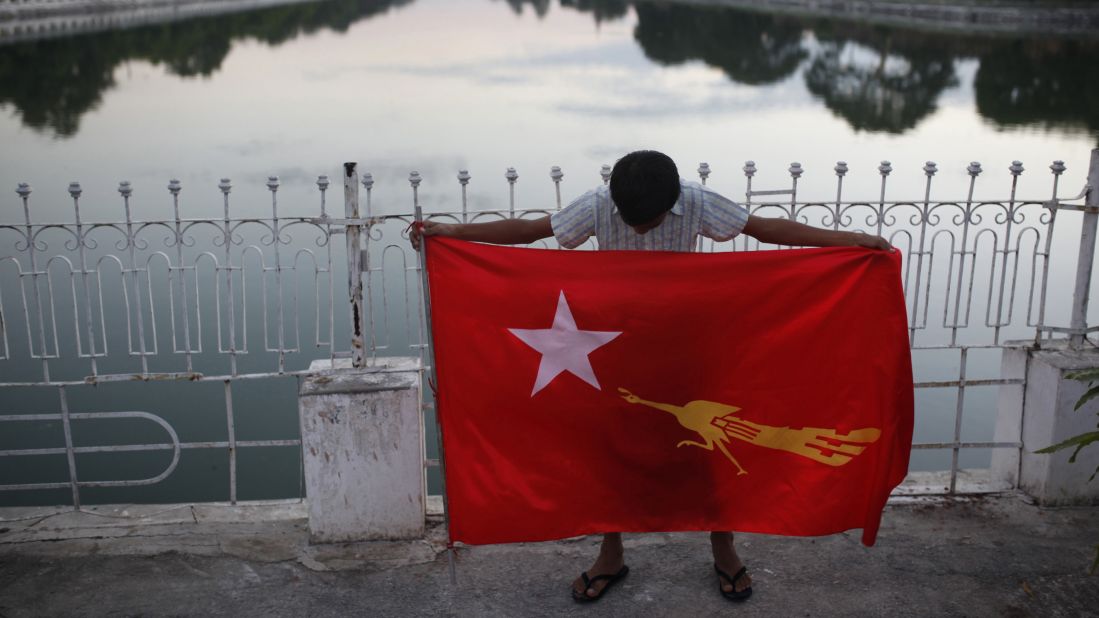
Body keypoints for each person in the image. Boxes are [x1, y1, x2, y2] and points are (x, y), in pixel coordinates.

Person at [410, 150, 892, 604]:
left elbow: (765, 227)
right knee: (611, 447)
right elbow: (531, 230)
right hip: (613, 345)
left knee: (708, 450)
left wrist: (852, 241)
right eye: (629, 220)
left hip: (690, 343)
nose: (638, 229)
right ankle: (611, 554)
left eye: (649, 222)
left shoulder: (697, 200)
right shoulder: (600, 204)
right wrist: (450, 235)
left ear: (673, 202)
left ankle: (723, 547)